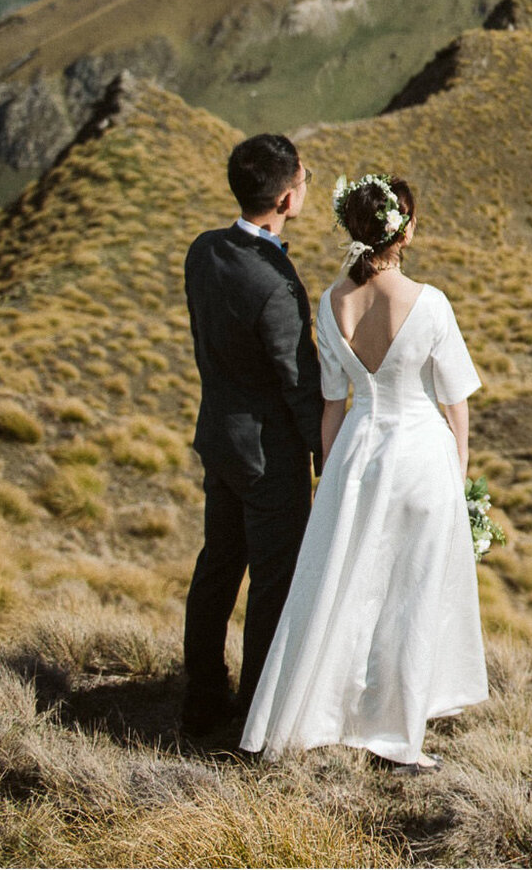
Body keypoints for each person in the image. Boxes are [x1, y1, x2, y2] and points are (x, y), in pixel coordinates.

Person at [239, 172, 488, 769]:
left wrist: (331, 474)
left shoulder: (330, 303)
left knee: (345, 587)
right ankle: (397, 735)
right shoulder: (429, 303)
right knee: (411, 594)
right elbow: (456, 402)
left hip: (356, 452)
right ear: (405, 230)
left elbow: (333, 402)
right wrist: (458, 474)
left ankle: (325, 713)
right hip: (419, 455)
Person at [180, 132, 320, 741]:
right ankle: (256, 717)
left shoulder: (204, 250)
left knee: (216, 568)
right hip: (269, 458)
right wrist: (330, 455)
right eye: (305, 180)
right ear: (287, 199)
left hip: (219, 439)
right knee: (272, 583)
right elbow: (299, 382)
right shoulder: (276, 283)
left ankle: (202, 699)